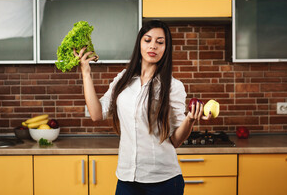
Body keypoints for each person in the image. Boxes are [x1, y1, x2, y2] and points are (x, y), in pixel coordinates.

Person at [74, 20, 212, 195]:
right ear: (139, 43)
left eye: (160, 42)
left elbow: (176, 140)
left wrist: (190, 120)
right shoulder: (124, 79)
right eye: (147, 40)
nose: (153, 46)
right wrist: (86, 72)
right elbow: (96, 114)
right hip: (127, 179)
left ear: (166, 48)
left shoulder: (173, 86)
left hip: (163, 181)